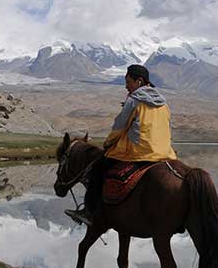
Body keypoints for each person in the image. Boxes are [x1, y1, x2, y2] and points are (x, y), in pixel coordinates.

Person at [65, 64, 177, 226]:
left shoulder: (134, 100)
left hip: (140, 152)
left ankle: (89, 212)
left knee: (97, 169)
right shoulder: (164, 104)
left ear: (139, 81)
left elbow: (119, 126)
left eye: (128, 82)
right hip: (165, 152)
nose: (126, 86)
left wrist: (108, 142)